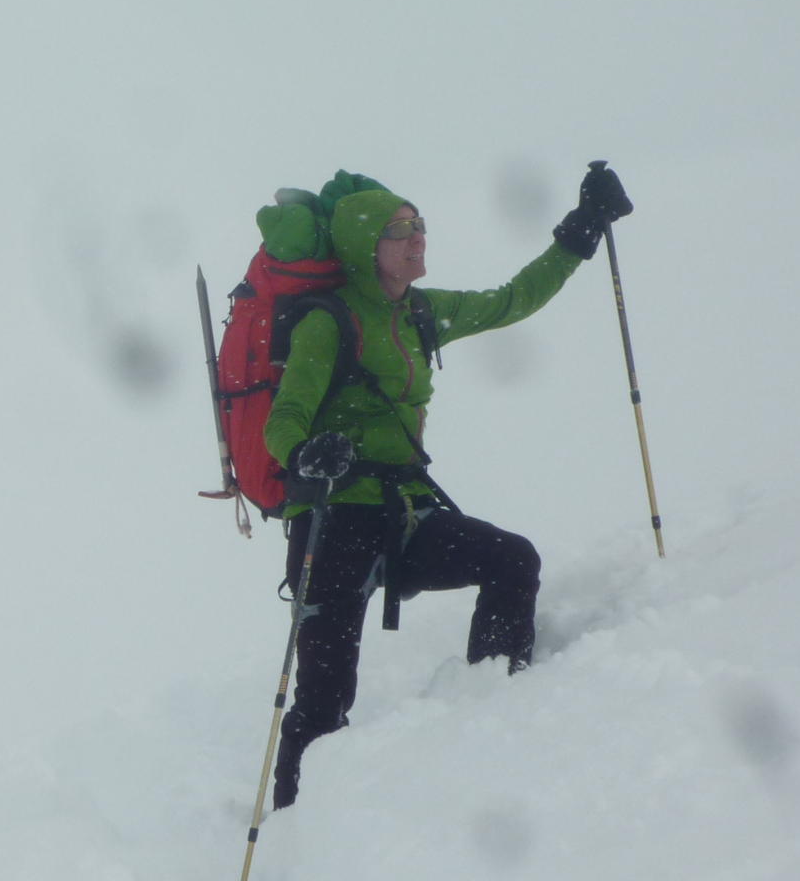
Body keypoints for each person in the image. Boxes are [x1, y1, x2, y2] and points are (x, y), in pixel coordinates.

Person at [263, 166, 634, 808]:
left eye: (419, 225)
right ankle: (293, 824)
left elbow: (512, 299)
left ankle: (490, 719)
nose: (417, 239)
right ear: (364, 247)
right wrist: (305, 455)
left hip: (403, 515)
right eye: (398, 231)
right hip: (334, 525)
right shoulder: (328, 322)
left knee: (512, 560)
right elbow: (283, 419)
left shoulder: (422, 311)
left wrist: (581, 232)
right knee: (323, 701)